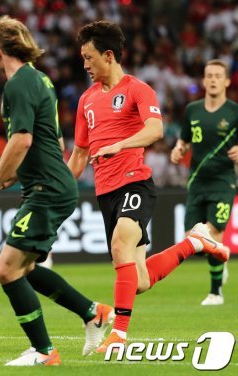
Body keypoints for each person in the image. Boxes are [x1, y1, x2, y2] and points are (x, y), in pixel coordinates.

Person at [68, 20, 229, 352]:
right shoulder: (85, 101)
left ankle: (119, 336)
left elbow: (155, 130)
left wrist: (119, 145)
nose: (85, 65)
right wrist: (58, 188)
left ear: (108, 55)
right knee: (138, 281)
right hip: (105, 193)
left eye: (89, 57)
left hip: (135, 184)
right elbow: (80, 154)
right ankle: (194, 244)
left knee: (119, 244)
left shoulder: (138, 89)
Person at [0, 16, 114, 366]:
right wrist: (10, 177)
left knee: (6, 270)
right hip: (48, 184)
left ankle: (44, 351)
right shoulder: (41, 79)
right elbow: (53, 140)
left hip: (47, 188)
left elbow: (23, 139)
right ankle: (93, 313)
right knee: (25, 268)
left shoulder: (18, 83)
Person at [170, 59, 238, 306]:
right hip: (197, 181)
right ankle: (219, 259)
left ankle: (215, 292)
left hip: (223, 181)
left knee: (214, 232)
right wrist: (178, 150)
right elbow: (184, 140)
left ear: (227, 81)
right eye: (209, 75)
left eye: (218, 76)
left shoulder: (234, 112)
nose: (212, 79)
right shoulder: (193, 110)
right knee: (193, 237)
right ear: (203, 80)